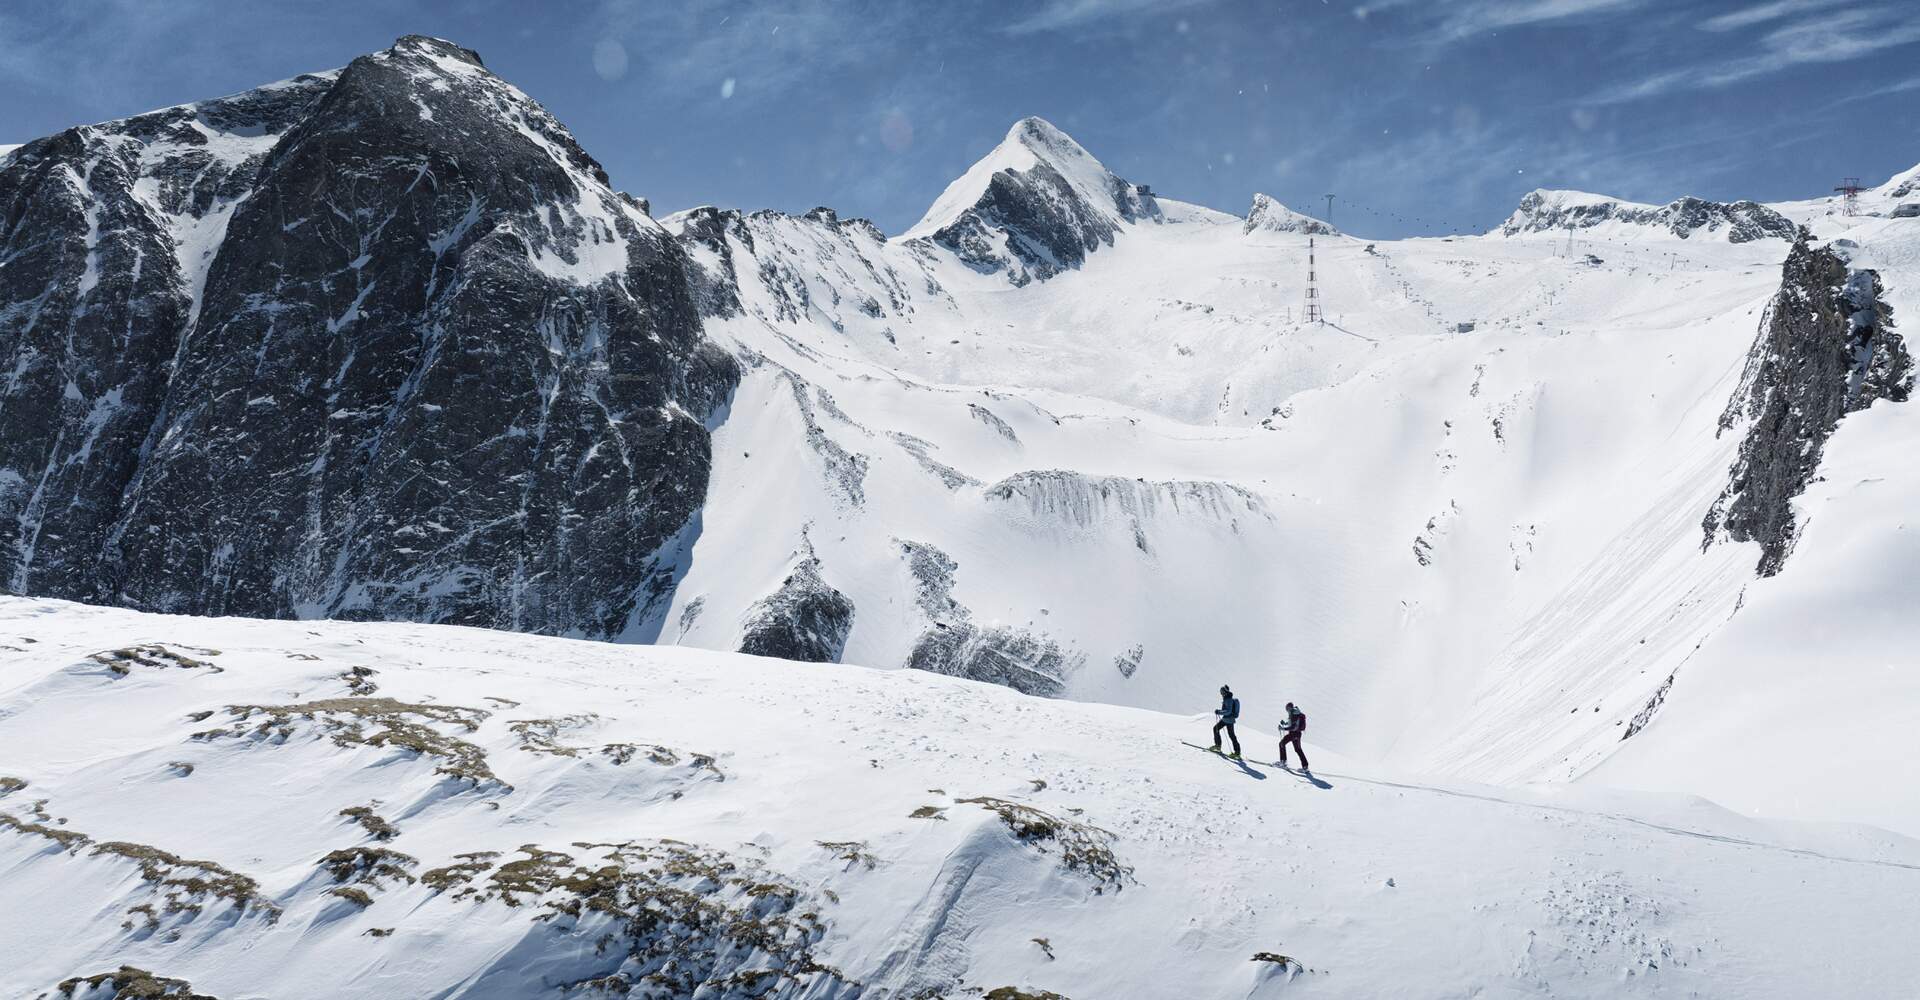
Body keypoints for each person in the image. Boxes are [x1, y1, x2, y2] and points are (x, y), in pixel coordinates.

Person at [1211, 685, 1242, 759]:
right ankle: (1237, 752)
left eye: (1222, 692)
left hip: (1228, 720)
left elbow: (1228, 711)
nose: (1221, 693)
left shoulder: (1228, 700)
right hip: (1228, 720)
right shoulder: (1228, 699)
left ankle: (1218, 746)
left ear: (1225, 692)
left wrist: (1219, 711)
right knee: (1230, 735)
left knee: (1217, 729)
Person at [1278, 702, 1309, 770]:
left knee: (1281, 744)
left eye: (1287, 708)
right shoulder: (1296, 713)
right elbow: (1292, 724)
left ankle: (1283, 761)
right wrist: (1284, 723)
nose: (1286, 710)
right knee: (1298, 749)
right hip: (1298, 734)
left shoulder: (1293, 714)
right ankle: (1305, 766)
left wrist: (1283, 728)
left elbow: (1293, 727)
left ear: (1289, 707)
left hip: (1293, 734)